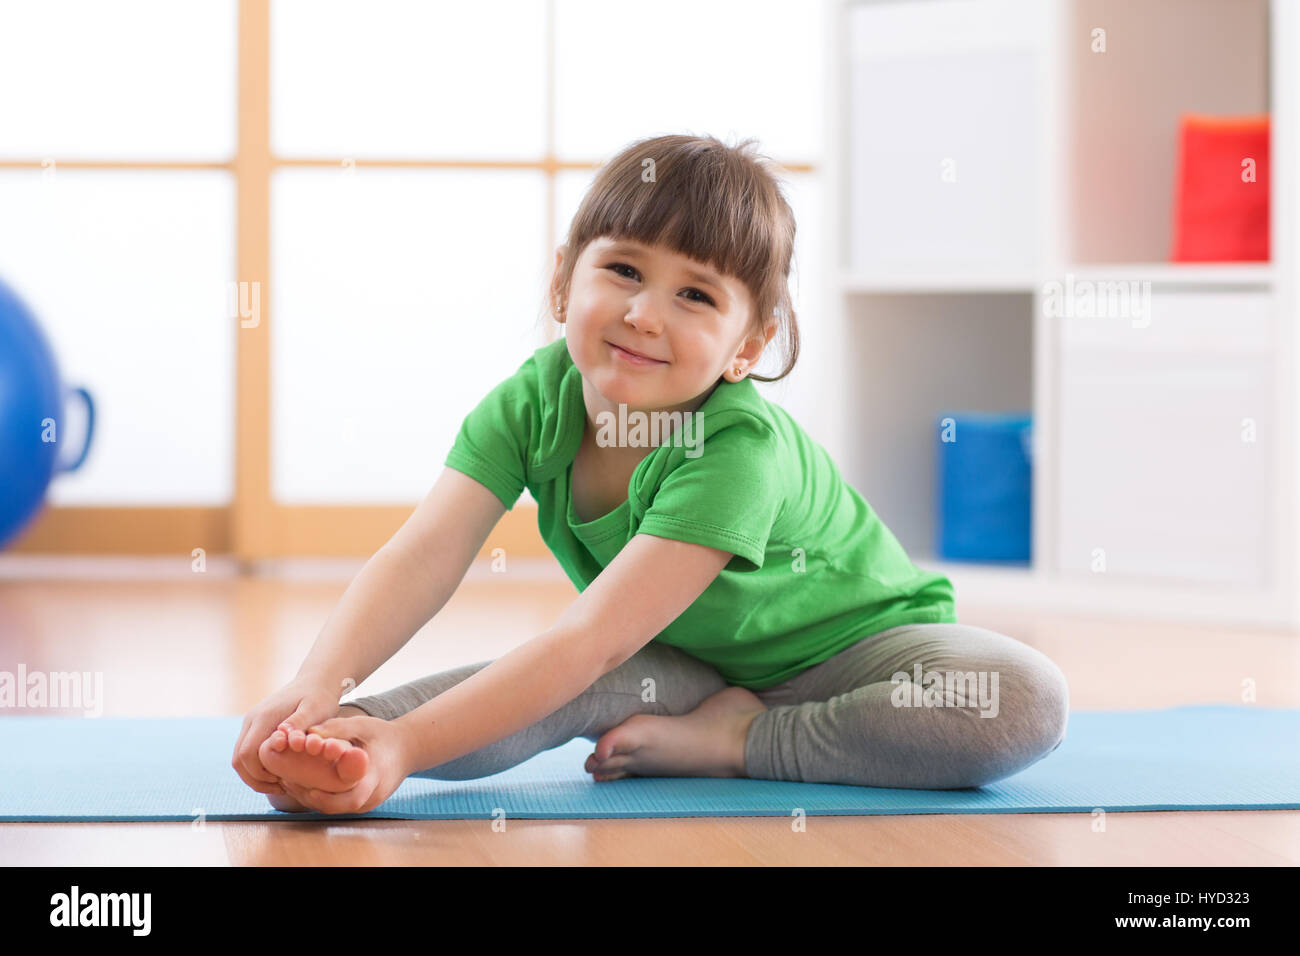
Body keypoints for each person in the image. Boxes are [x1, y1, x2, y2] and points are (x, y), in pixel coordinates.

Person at [231, 133, 1069, 814]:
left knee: (1023, 698)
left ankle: (739, 742)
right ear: (564, 281)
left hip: (860, 656)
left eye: (695, 297)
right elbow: (426, 554)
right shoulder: (532, 402)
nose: (643, 314)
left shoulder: (736, 448)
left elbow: (587, 638)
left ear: (749, 345)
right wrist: (319, 693)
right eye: (624, 271)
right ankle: (346, 744)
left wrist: (416, 749)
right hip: (677, 664)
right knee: (562, 683)